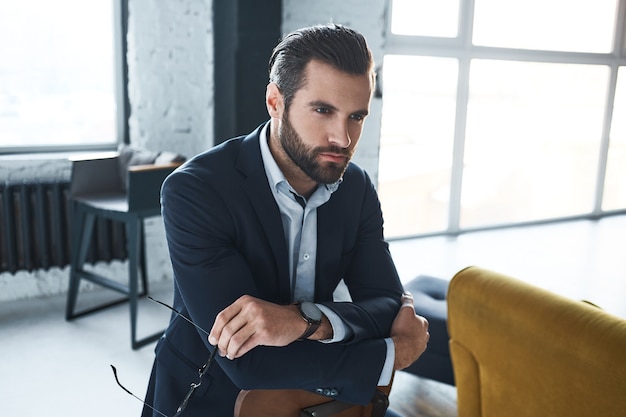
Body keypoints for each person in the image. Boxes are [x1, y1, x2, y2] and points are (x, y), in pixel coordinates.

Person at [142, 23, 430, 417]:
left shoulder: (356, 187)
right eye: (323, 110)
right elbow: (248, 363)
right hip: (208, 396)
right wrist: (393, 353)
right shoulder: (196, 191)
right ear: (275, 102)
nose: (343, 138)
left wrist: (304, 321)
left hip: (317, 396)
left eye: (356, 117)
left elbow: (386, 304)